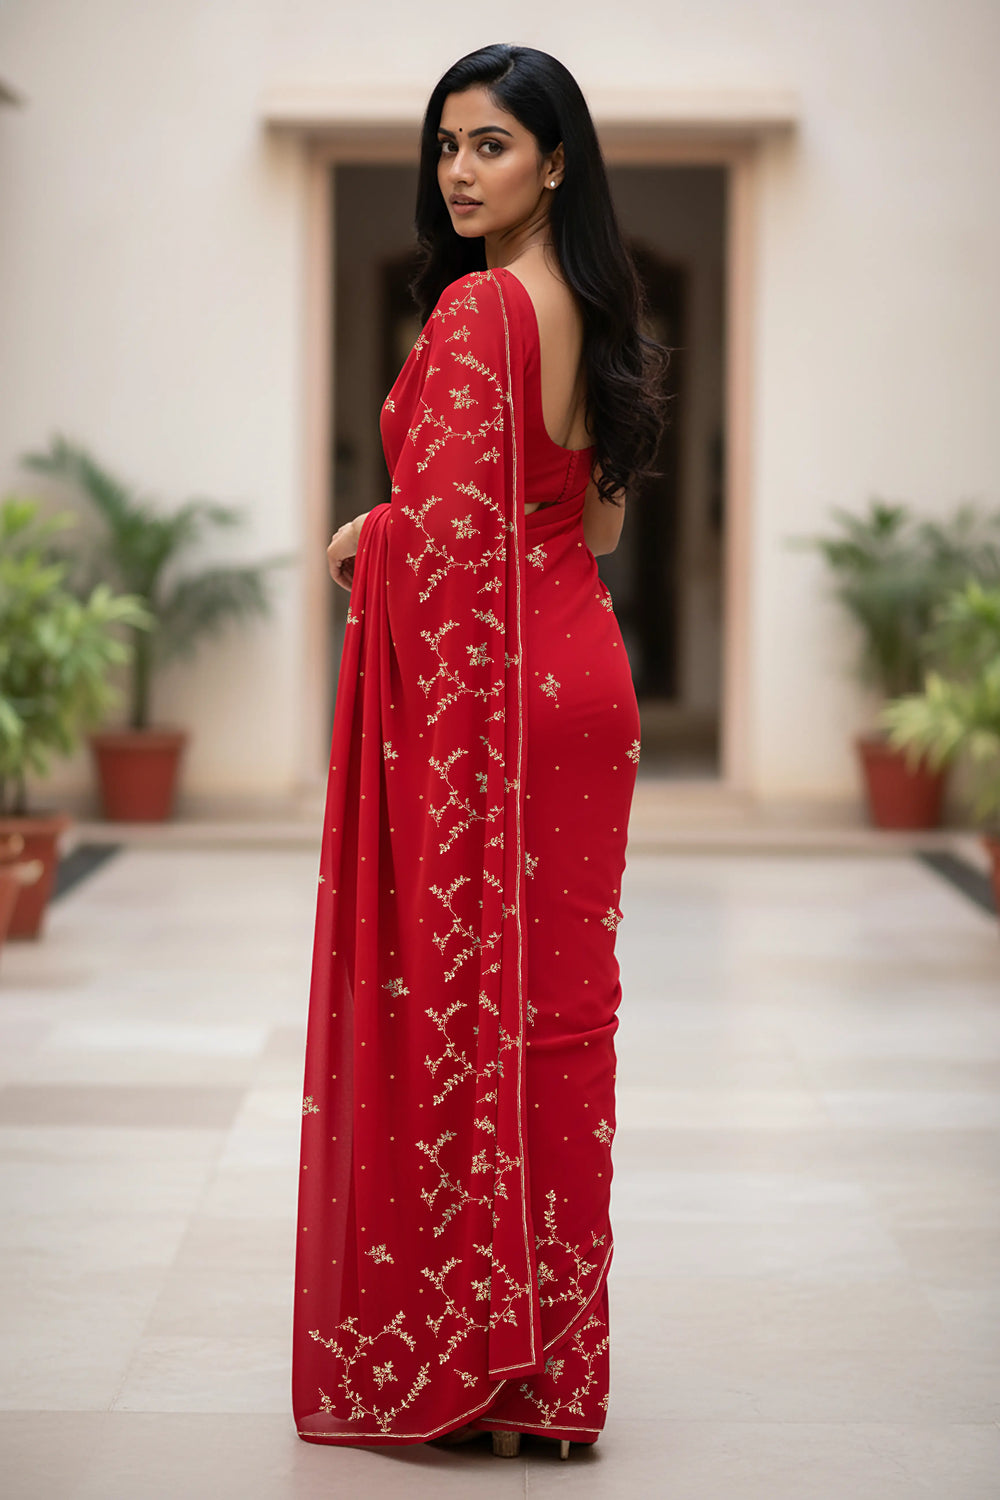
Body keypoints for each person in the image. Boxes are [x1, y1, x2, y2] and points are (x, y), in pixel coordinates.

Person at [292, 42, 667, 1461]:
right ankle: (553, 1383)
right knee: (561, 1024)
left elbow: (443, 539)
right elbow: (596, 529)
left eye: (493, 144)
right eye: (447, 143)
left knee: (473, 1009)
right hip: (587, 682)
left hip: (508, 703)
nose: (460, 169)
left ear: (555, 160)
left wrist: (364, 534)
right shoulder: (600, 311)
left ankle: (486, 1375)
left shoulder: (483, 309)